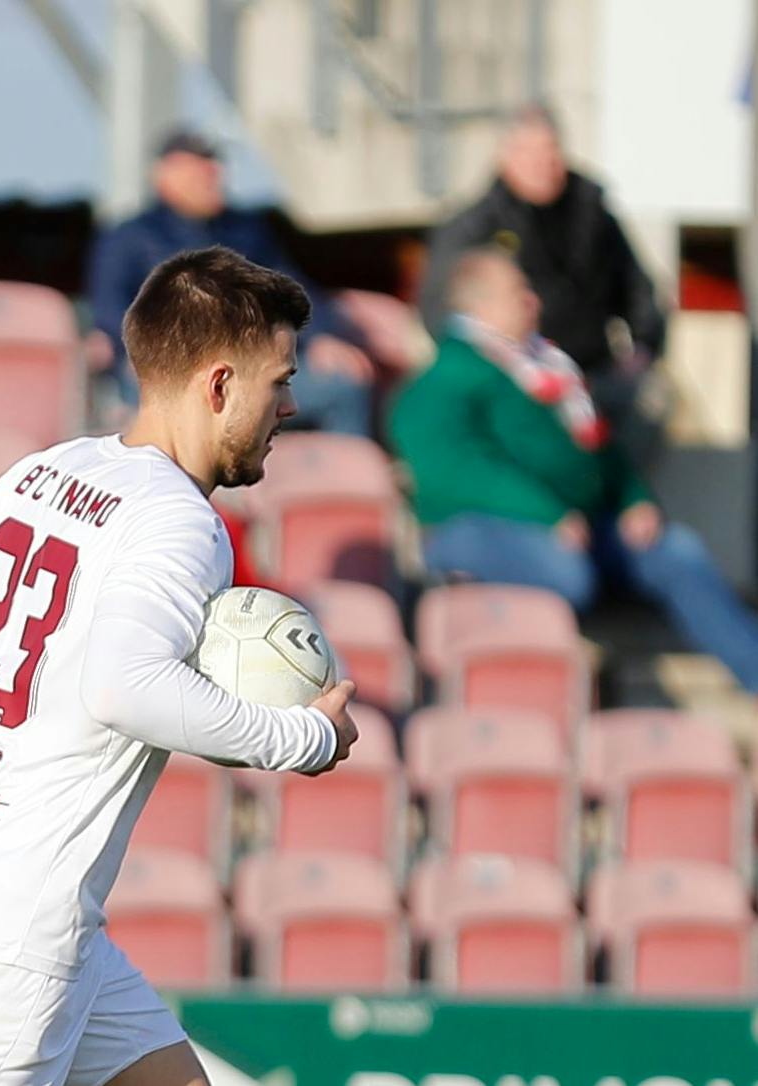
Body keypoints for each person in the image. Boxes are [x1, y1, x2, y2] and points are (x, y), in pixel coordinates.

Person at [0, 245, 360, 1086]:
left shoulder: (49, 470)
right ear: (220, 385)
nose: (292, 404)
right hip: (7, 932)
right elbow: (125, 688)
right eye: (279, 381)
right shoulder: (178, 520)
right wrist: (298, 737)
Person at [393, 248, 758, 694]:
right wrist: (547, 514)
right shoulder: (448, 378)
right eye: (518, 292)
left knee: (677, 553)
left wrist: (634, 500)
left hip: (582, 526)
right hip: (488, 528)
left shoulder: (542, 365)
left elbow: (597, 446)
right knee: (566, 573)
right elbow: (457, 472)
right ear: (479, 306)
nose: (534, 300)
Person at [419, 105, 667, 458]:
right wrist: (510, 366)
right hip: (516, 378)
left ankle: (618, 500)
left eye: (551, 150)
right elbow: (440, 312)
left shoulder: (591, 212)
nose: (543, 163)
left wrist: (642, 348)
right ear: (505, 157)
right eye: (529, 152)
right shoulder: (474, 229)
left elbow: (636, 287)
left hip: (593, 368)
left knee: (648, 402)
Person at [88, 131, 375, 434]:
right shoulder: (128, 237)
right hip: (169, 374)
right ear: (166, 175)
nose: (214, 173)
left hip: (249, 371)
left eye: (215, 164)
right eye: (200, 165)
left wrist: (319, 337)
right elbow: (110, 312)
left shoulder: (246, 232)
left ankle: (341, 479)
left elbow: (288, 292)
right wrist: (142, 356)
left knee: (344, 385)